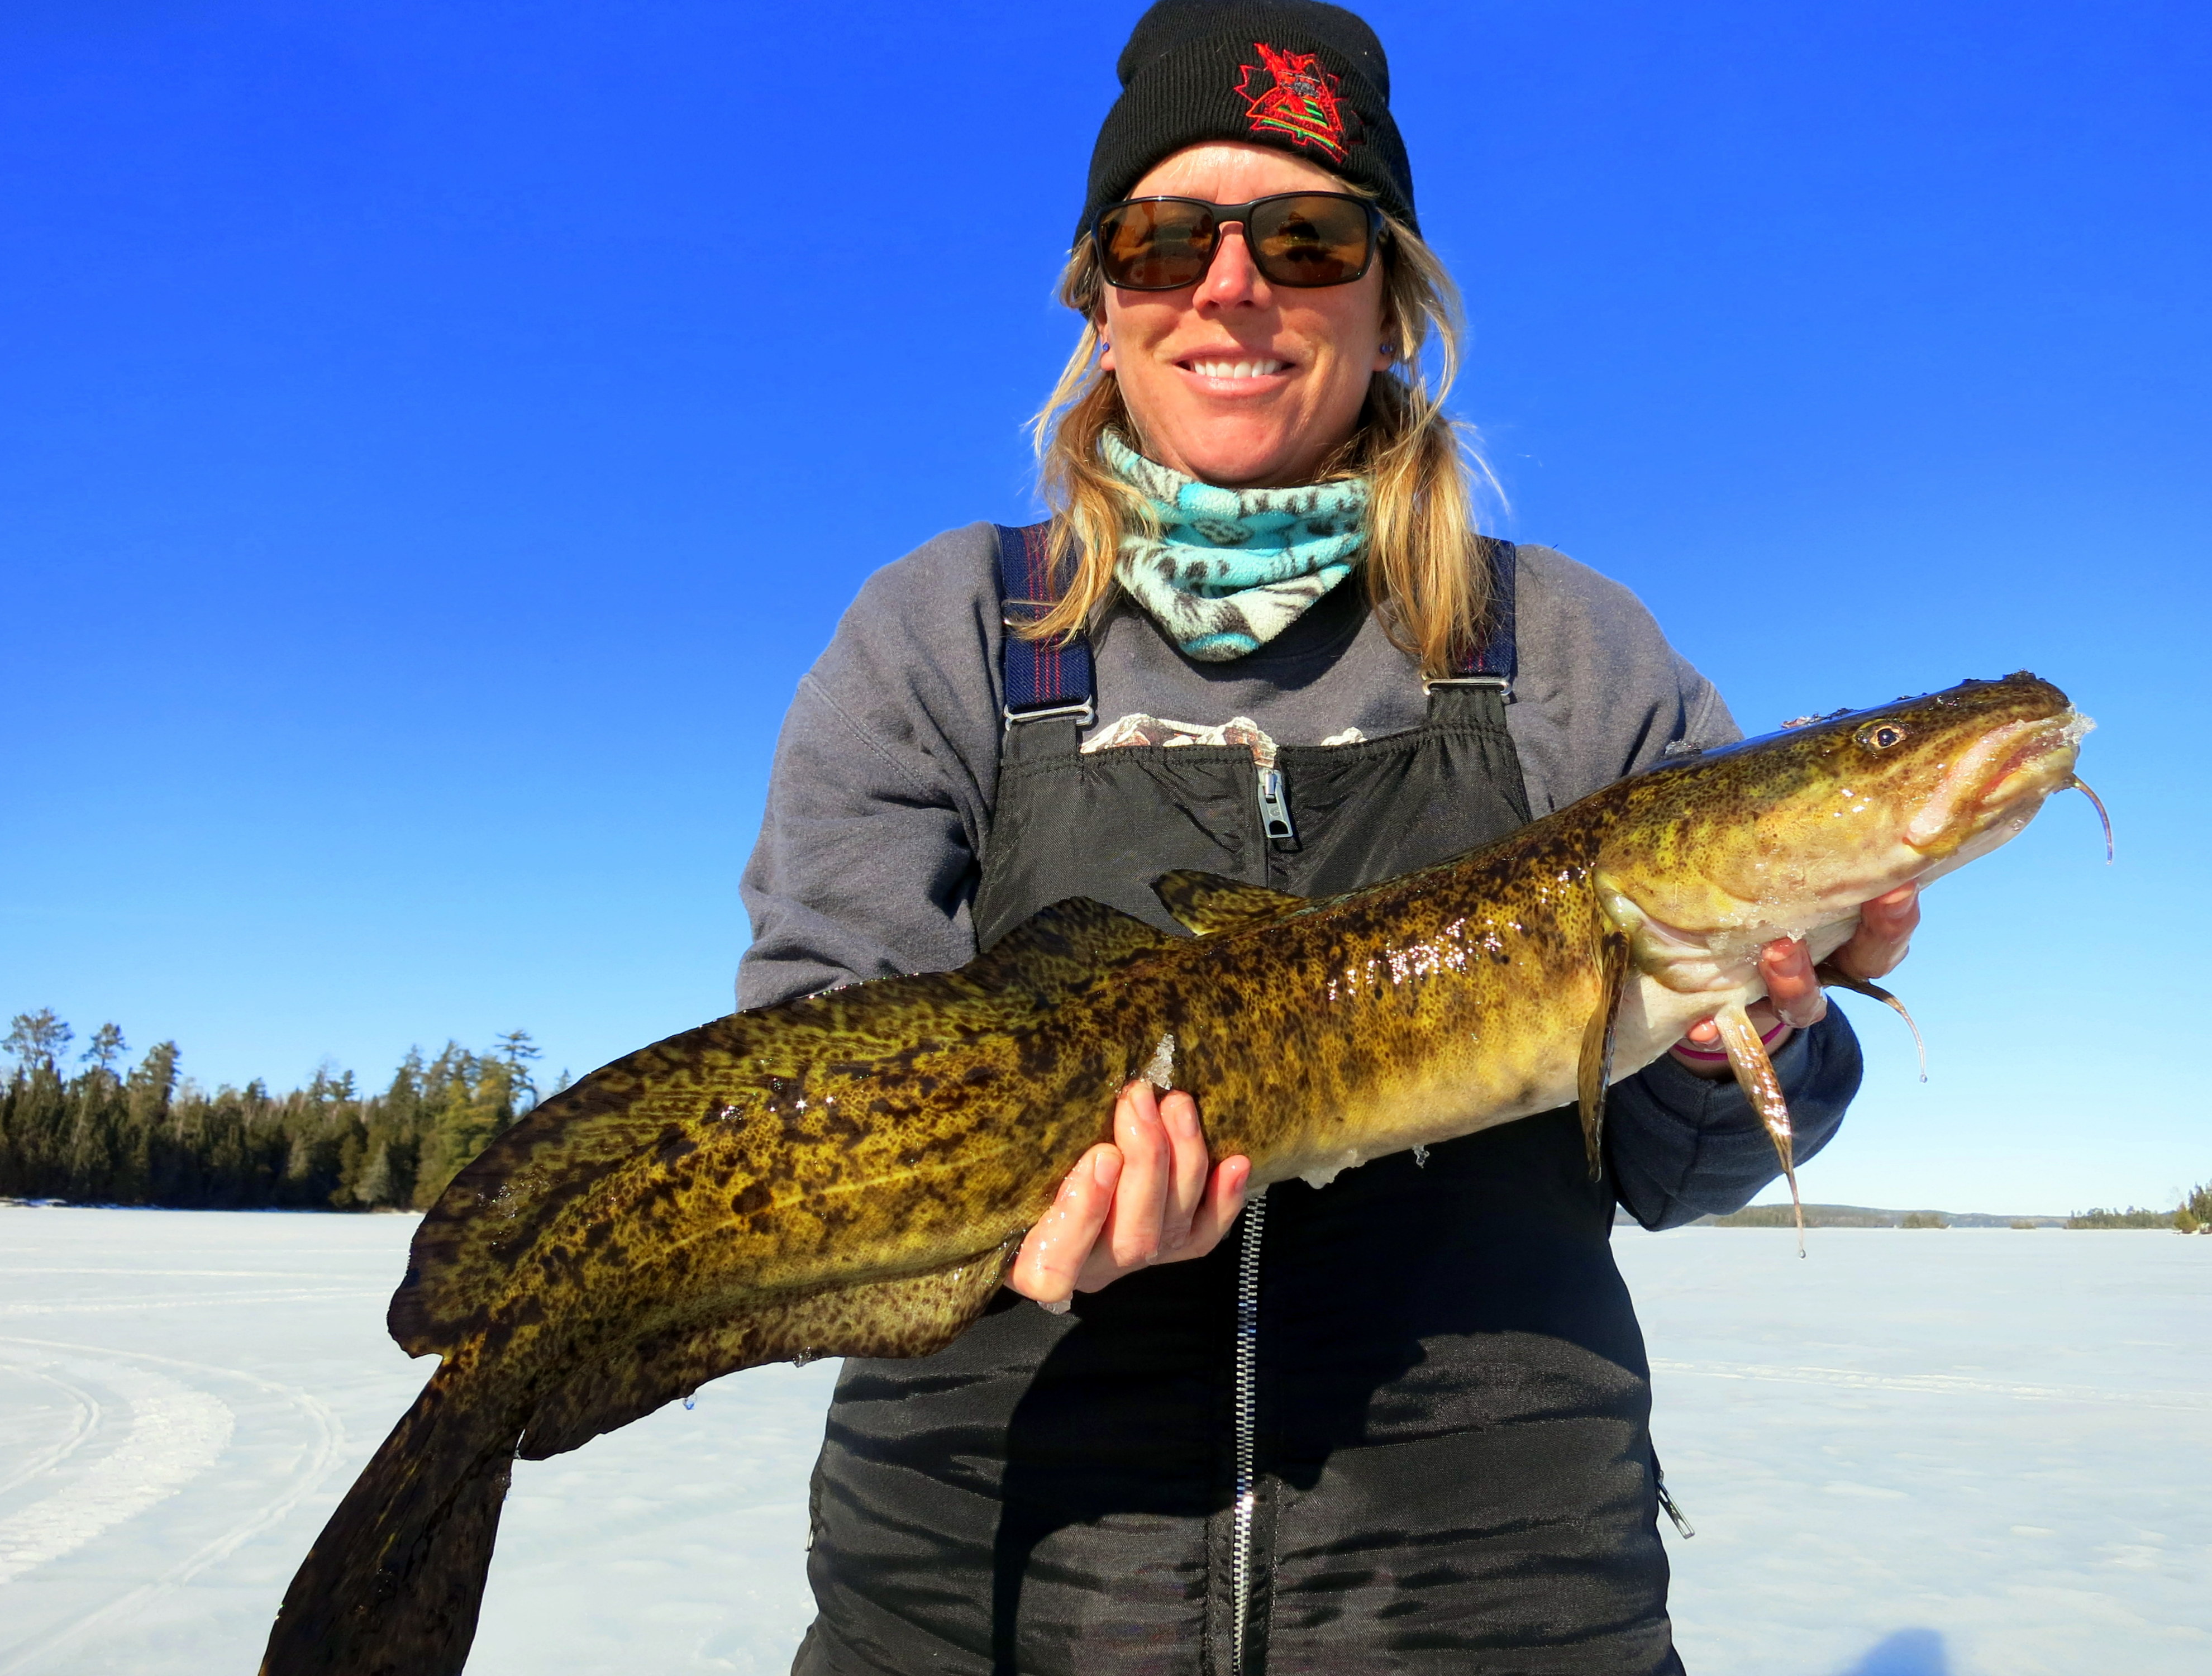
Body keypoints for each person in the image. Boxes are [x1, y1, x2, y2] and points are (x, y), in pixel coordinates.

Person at [738, 3, 1916, 1670]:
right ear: (1102, 297)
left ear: (1390, 300)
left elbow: (1681, 1169)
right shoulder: (944, 637)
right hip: (987, 1597)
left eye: (1306, 235)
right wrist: (1007, 1225)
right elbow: (813, 1072)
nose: (1233, 288)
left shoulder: (1571, 655)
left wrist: (1755, 1048)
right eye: (1165, 237)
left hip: (1498, 1607)